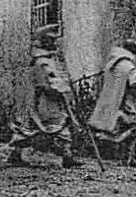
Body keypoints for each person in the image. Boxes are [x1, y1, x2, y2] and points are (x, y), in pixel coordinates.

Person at [9, 25, 82, 168]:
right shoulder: (41, 62)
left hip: (48, 100)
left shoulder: (49, 59)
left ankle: (66, 155)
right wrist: (59, 89)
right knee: (52, 125)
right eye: (51, 40)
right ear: (44, 41)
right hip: (45, 101)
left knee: (36, 126)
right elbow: (45, 84)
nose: (54, 43)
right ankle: (17, 153)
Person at [89, 38, 136, 164]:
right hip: (126, 102)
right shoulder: (128, 66)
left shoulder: (112, 63)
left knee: (121, 127)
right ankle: (130, 156)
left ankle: (122, 154)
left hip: (111, 102)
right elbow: (135, 84)